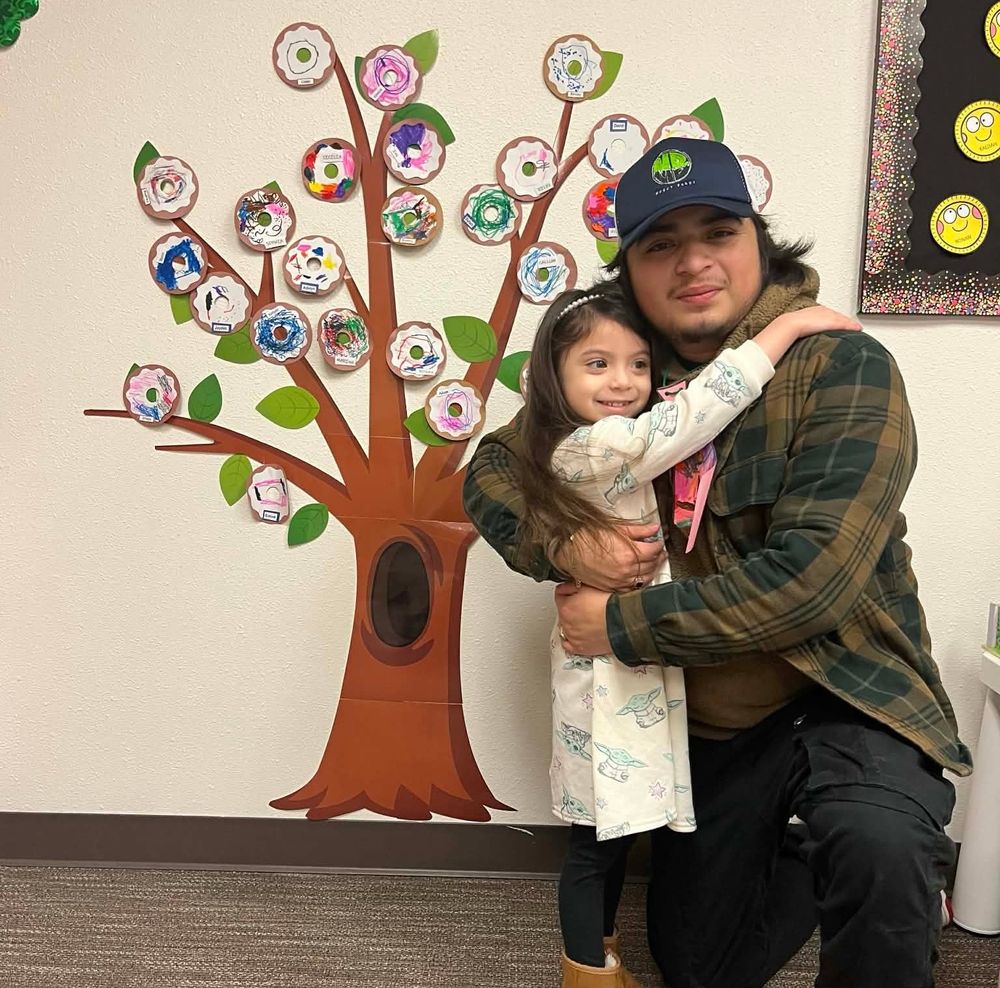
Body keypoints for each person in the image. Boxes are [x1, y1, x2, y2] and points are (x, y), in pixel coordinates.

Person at [463, 137, 972, 988]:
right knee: (699, 966)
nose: (693, 261)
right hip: (717, 729)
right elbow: (491, 468)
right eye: (661, 243)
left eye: (718, 232)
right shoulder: (623, 373)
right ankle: (806, 849)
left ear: (757, 242)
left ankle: (891, 865)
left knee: (878, 849)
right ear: (630, 271)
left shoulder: (842, 366)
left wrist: (617, 621)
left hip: (847, 692)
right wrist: (566, 540)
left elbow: (810, 583)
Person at [520, 280, 859, 988]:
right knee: (595, 845)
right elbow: (686, 420)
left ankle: (602, 952)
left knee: (615, 837)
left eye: (638, 364)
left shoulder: (599, 438)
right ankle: (586, 972)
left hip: (630, 669)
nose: (622, 382)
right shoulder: (592, 447)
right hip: (603, 679)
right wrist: (784, 331)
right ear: (554, 375)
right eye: (597, 364)